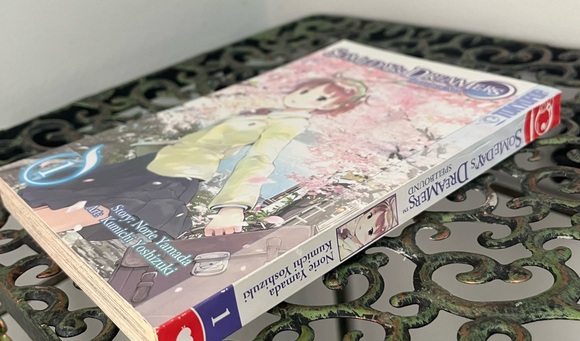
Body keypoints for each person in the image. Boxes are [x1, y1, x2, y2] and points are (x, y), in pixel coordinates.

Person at [21, 76, 368, 241]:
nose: (305, 97)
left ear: (333, 109)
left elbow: (260, 159)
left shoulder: (288, 122)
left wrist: (232, 207)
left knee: (109, 206)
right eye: (307, 89)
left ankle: (51, 230)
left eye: (321, 99)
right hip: (155, 160)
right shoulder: (264, 107)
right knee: (63, 196)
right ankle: (41, 225)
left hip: (179, 173)